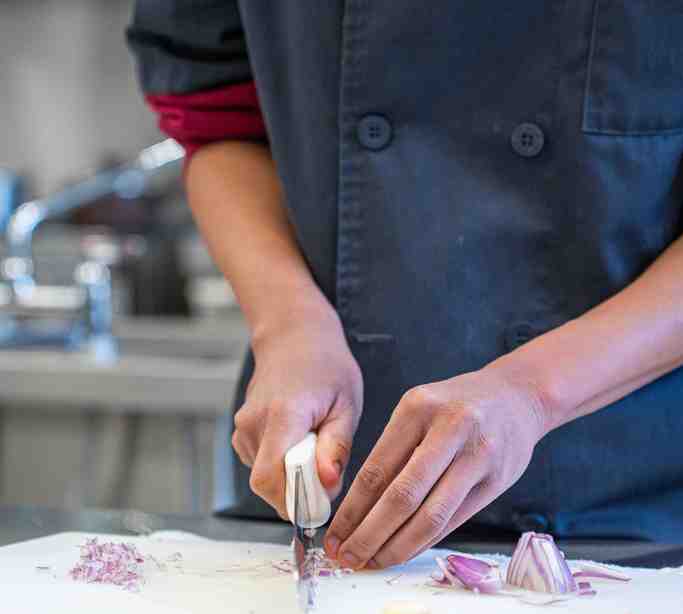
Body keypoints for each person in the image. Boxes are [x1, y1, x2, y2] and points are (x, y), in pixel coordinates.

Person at [128, 3, 683, 569]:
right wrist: (289, 324)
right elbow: (215, 115)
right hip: (328, 497)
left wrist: (533, 392)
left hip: (629, 506)